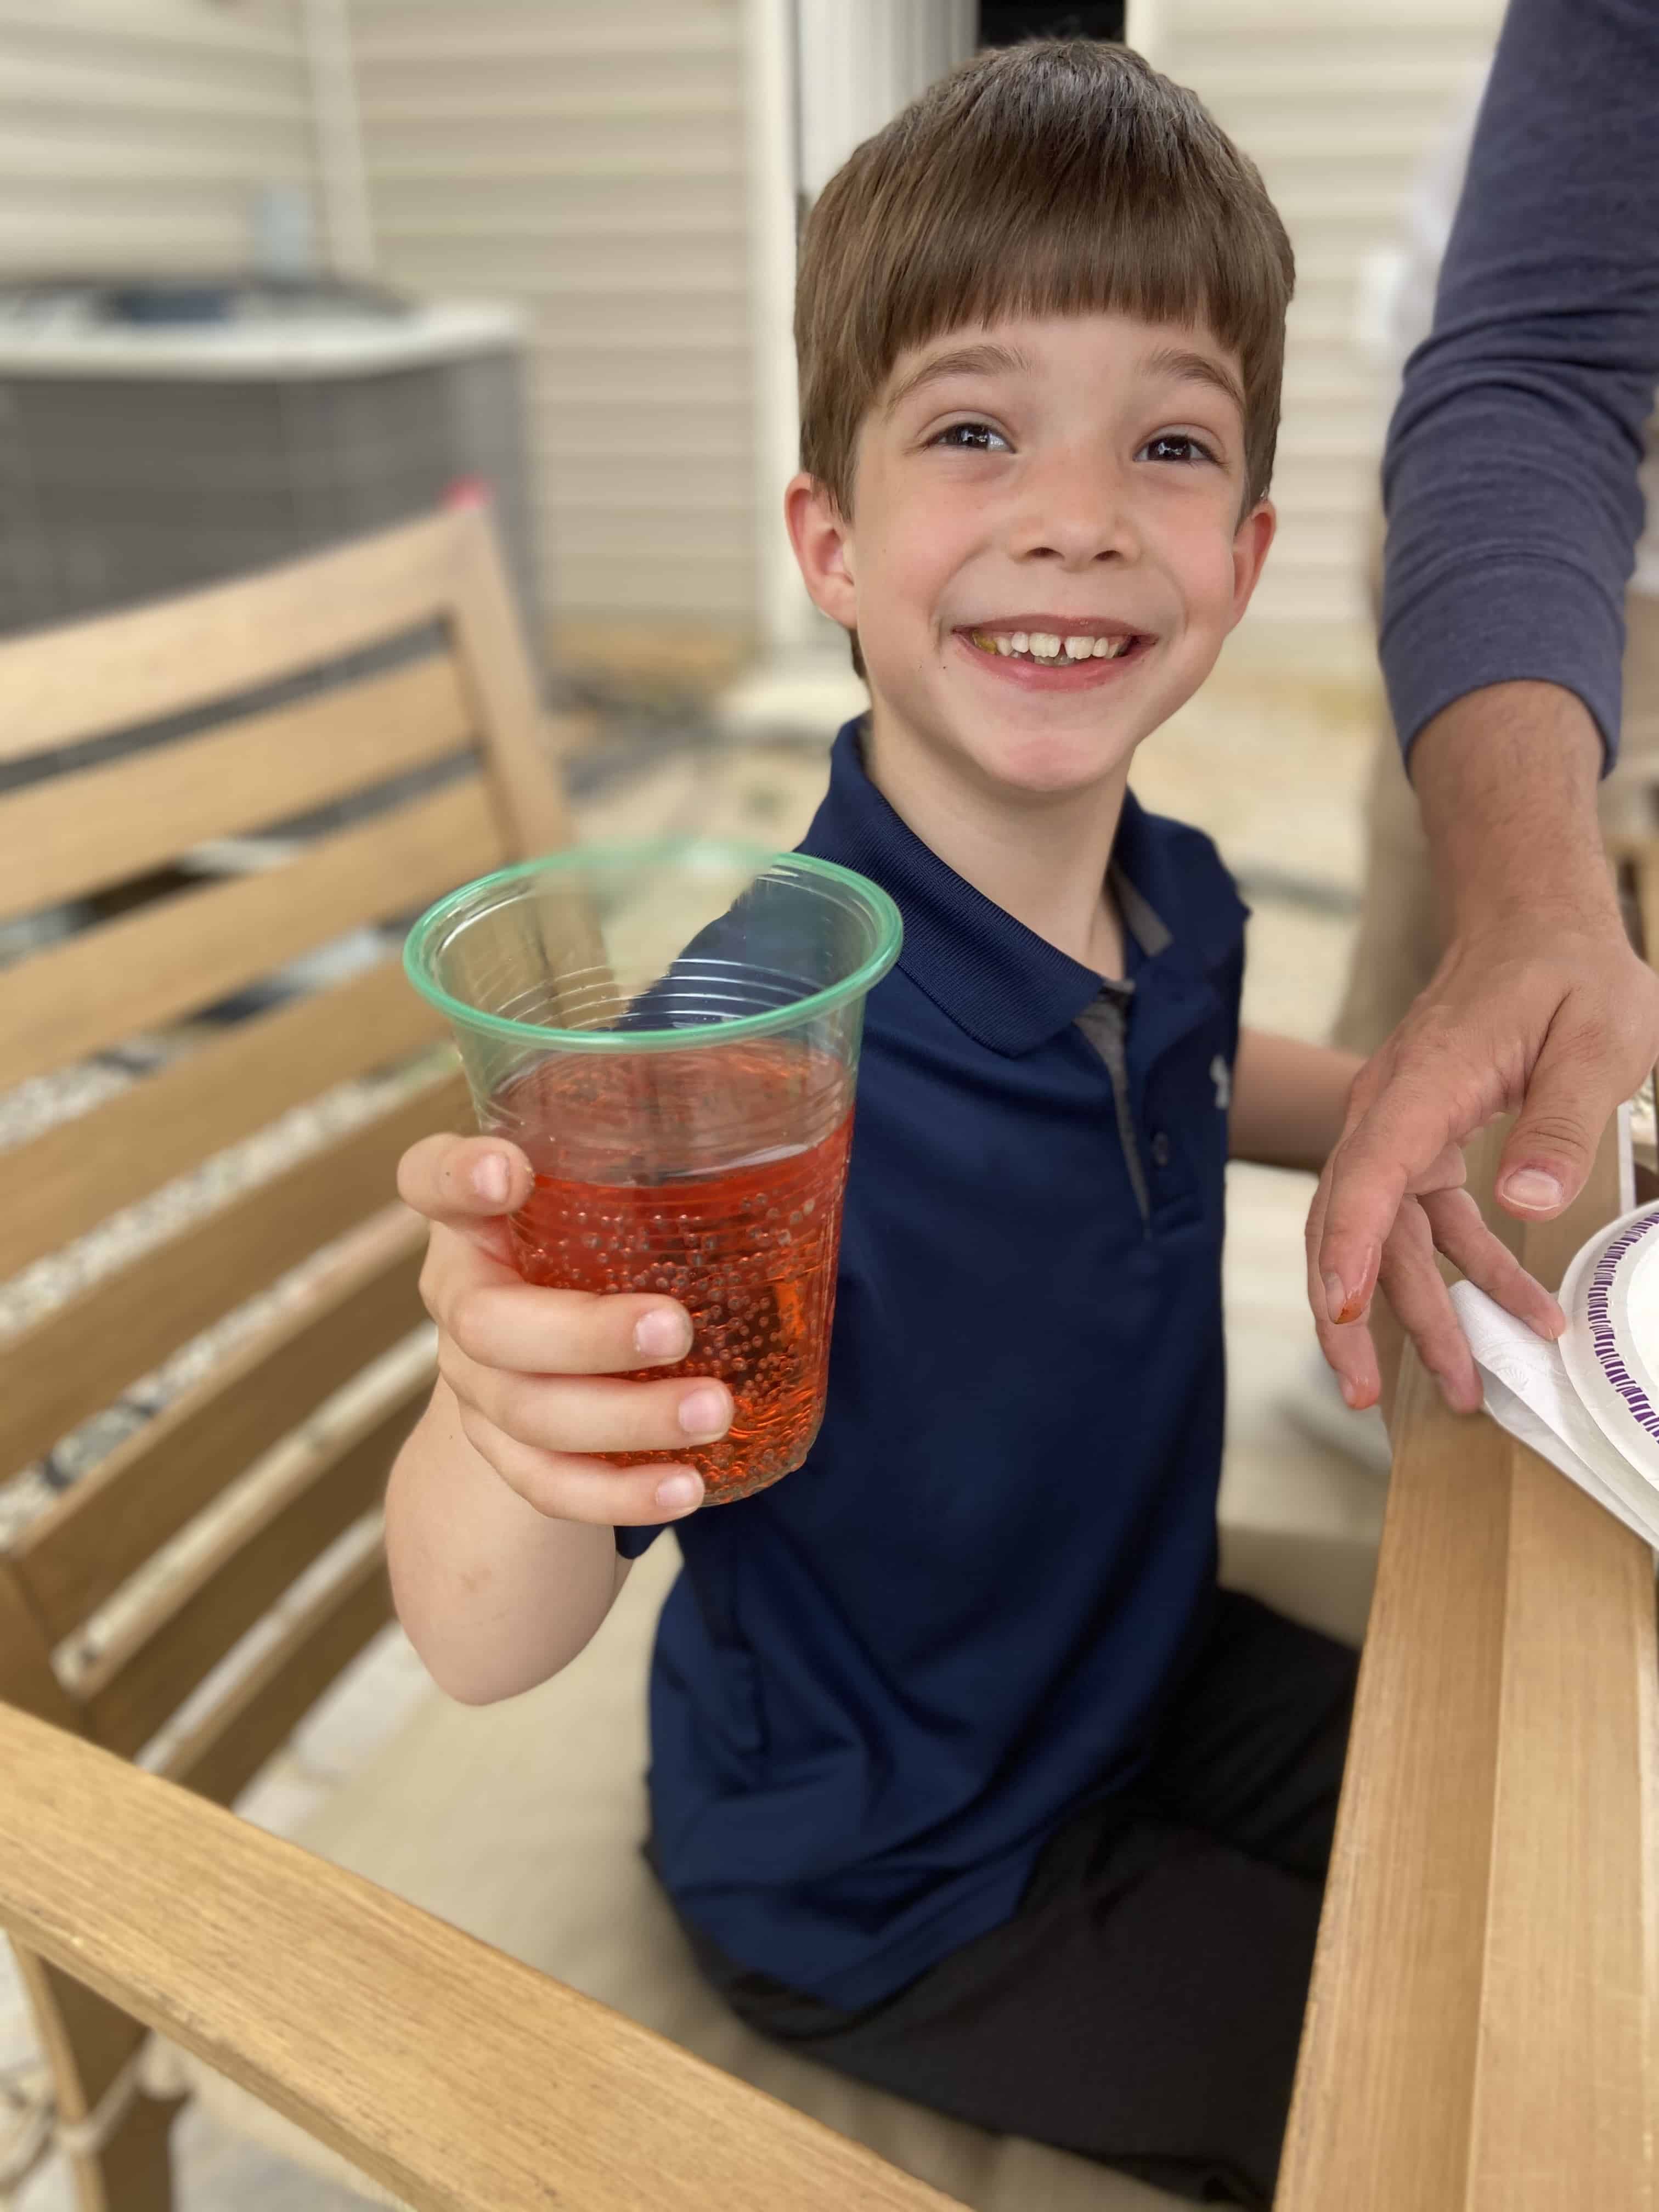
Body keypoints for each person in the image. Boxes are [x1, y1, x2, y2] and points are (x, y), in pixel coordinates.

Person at [383, 44, 1558, 2208]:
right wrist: (506, 1414)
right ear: (829, 541)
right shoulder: (736, 1081)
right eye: (976, 428)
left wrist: (1413, 1098)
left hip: (1134, 1662)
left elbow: (1192, 1061)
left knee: (1557, 1848)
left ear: (1249, 546)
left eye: (1171, 439)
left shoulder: (1175, 895)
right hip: (896, 1868)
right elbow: (479, 1633)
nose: (1080, 513)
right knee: (1474, 2102)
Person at [1308, 0, 1659, 1419]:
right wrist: (1525, 905)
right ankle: (1393, 1388)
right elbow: (1541, 369)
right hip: (1549, 493)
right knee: (1458, 994)